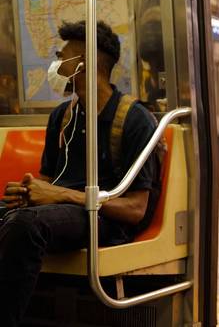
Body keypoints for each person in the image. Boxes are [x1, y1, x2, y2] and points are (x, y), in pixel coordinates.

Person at [0, 20, 160, 326]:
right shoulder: (63, 116)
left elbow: (136, 209)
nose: (56, 64)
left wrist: (58, 195)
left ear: (84, 63)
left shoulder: (135, 120)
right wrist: (29, 190)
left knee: (26, 226)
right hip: (59, 212)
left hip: (104, 220)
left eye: (62, 57)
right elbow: (49, 178)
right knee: (16, 216)